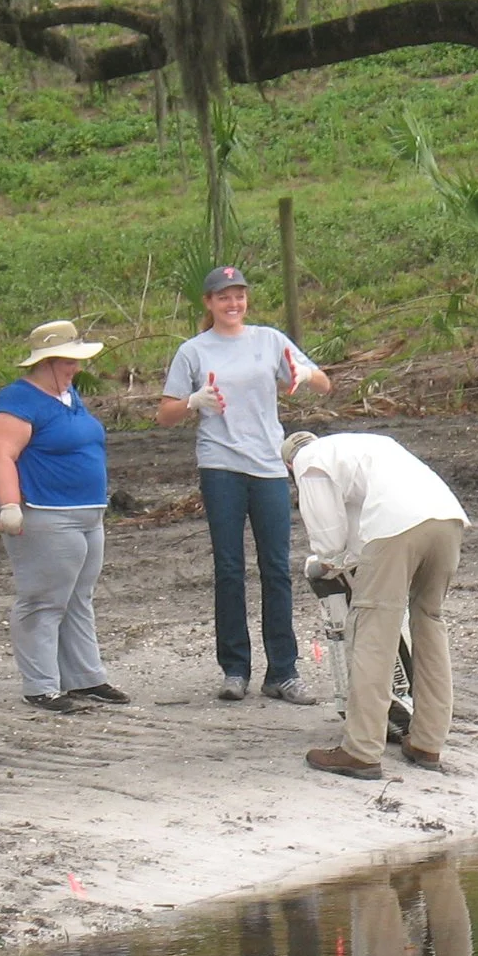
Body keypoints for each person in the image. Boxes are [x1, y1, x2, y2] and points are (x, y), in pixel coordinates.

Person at [160, 266, 331, 703]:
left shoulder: (269, 340)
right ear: (209, 302)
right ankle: (234, 668)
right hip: (220, 465)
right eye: (224, 297)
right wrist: (193, 402)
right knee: (230, 568)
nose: (233, 304)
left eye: (239, 296)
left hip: (268, 464)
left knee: (276, 567)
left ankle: (283, 671)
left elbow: (322, 382)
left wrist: (303, 376)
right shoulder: (193, 351)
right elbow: (165, 413)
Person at [284, 430, 468, 780]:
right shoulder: (363, 447)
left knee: (371, 632)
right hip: (447, 518)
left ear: (290, 465)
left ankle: (361, 750)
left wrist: (324, 564)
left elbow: (329, 539)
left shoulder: (309, 462)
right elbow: (360, 531)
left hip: (398, 526)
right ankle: (428, 741)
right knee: (429, 621)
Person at [0, 320, 127, 713]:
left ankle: (84, 677)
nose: (75, 368)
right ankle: (41, 685)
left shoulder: (67, 395)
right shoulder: (18, 401)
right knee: (43, 600)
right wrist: (10, 504)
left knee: (79, 596)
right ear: (46, 361)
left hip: (85, 514)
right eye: (68, 361)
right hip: (44, 514)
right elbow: (0, 454)